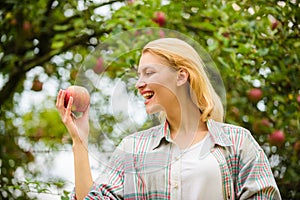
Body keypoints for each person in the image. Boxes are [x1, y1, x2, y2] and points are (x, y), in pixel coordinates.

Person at [56, 38, 281, 199]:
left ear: (181, 75)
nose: (139, 83)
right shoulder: (133, 148)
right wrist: (80, 140)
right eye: (138, 75)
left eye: (149, 73)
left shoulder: (237, 142)